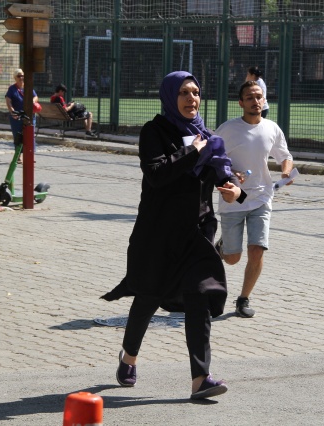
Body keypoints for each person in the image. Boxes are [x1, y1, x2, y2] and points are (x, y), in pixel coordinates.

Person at [100, 71, 246, 400]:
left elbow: (224, 176)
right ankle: (128, 357)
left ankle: (200, 378)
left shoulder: (208, 137)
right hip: (160, 234)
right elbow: (157, 175)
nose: (191, 98)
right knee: (148, 298)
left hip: (196, 233)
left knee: (199, 298)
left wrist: (234, 191)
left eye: (195, 92)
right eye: (183, 92)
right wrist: (191, 153)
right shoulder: (155, 131)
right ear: (169, 96)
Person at [214, 80, 294, 318]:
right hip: (235, 197)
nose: (255, 101)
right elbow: (212, 157)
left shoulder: (271, 128)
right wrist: (229, 173)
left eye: (259, 97)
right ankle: (222, 248)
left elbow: (285, 155)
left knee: (257, 249)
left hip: (261, 197)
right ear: (241, 103)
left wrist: (287, 172)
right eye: (250, 97)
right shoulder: (228, 129)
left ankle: (243, 299)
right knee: (232, 258)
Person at [5, 68, 38, 164]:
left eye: (22, 75)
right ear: (15, 78)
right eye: (19, 76)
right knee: (18, 136)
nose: (21, 77)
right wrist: (12, 112)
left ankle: (31, 156)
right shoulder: (12, 89)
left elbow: (36, 96)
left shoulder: (28, 87)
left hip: (29, 115)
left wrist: (33, 101)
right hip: (17, 116)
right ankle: (18, 156)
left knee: (31, 135)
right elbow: (8, 101)